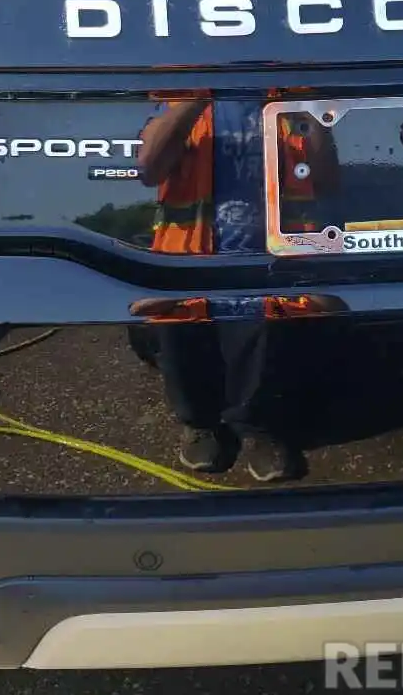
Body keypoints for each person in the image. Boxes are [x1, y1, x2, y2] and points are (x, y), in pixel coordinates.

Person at [137, 97, 337, 482]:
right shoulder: (179, 100)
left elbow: (327, 181)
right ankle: (201, 424)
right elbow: (148, 167)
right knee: (183, 337)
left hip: (272, 262)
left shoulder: (292, 100)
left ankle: (262, 431)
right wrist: (195, 96)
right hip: (191, 260)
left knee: (267, 344)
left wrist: (308, 115)